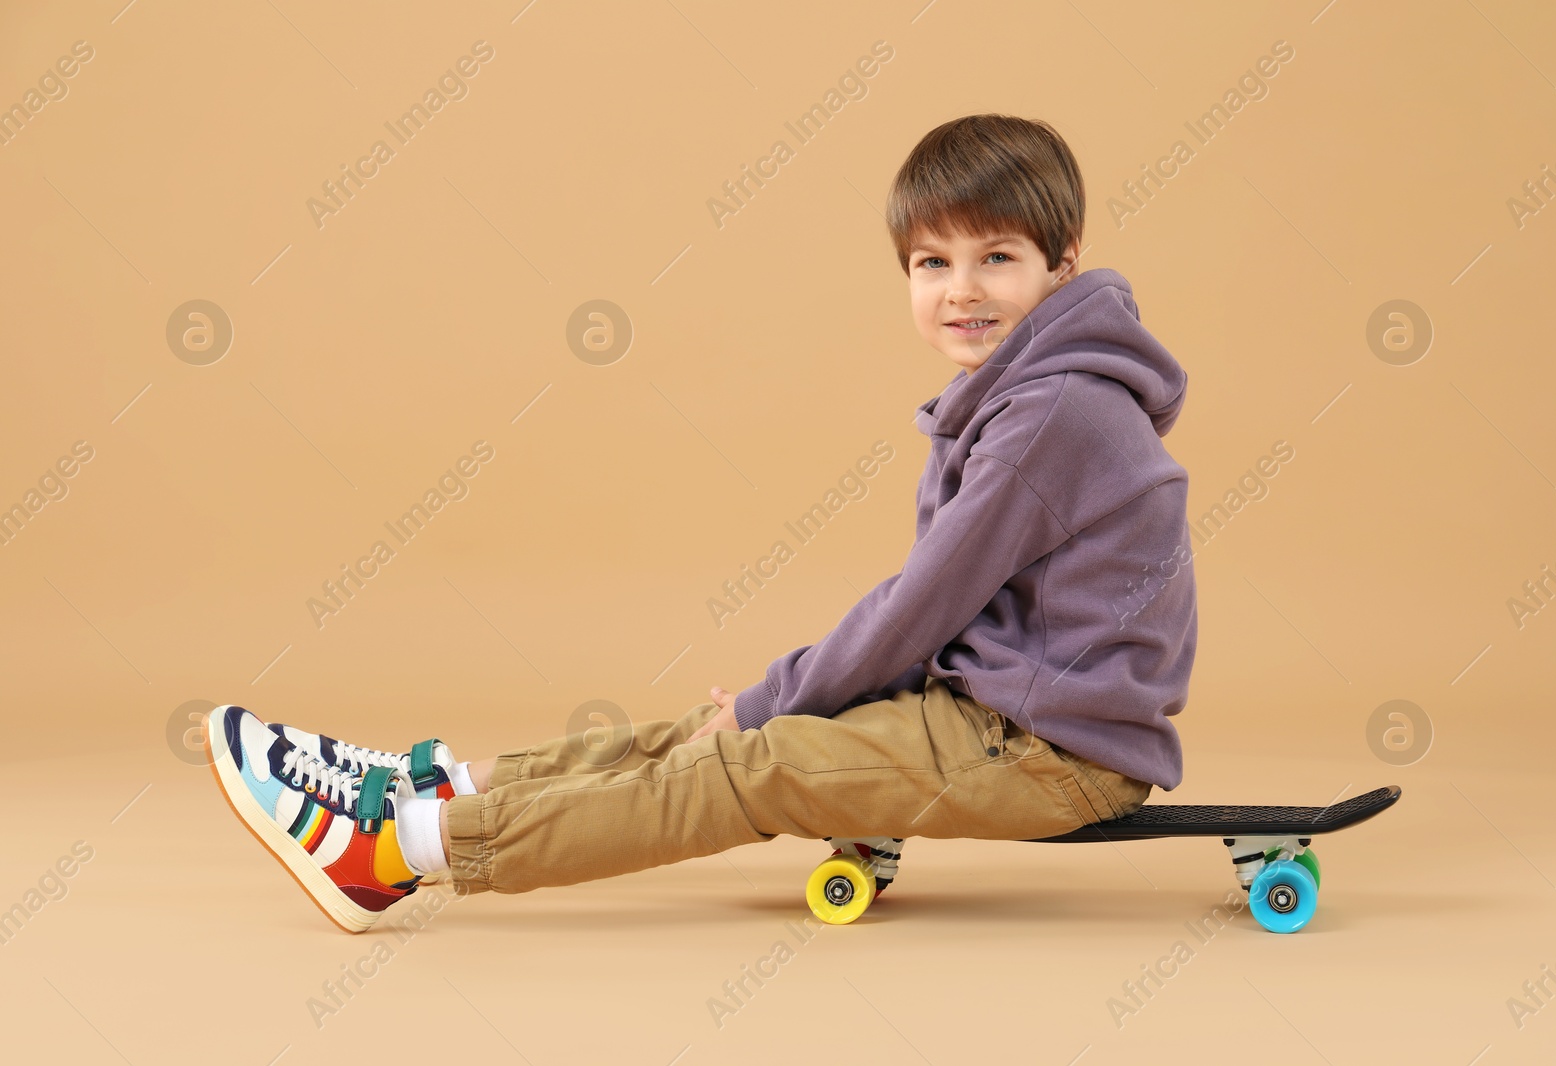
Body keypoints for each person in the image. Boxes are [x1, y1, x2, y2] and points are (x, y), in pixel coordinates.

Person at [204, 112, 1199, 934]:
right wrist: (778, 695)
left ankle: (394, 854)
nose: (961, 290)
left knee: (743, 756)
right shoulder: (1027, 390)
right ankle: (424, 789)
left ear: (1062, 267)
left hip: (1048, 752)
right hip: (990, 714)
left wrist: (775, 700)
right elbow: (934, 615)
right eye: (931, 261)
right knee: (711, 728)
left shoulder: (1052, 412)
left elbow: (920, 608)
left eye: (997, 257)